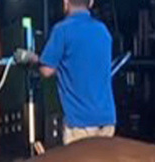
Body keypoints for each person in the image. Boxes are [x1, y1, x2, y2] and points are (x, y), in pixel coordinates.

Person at [27, 0, 116, 145]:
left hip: (79, 123)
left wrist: (32, 59)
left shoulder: (62, 30)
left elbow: (46, 70)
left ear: (65, 2)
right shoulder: (103, 31)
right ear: (91, 3)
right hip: (106, 120)